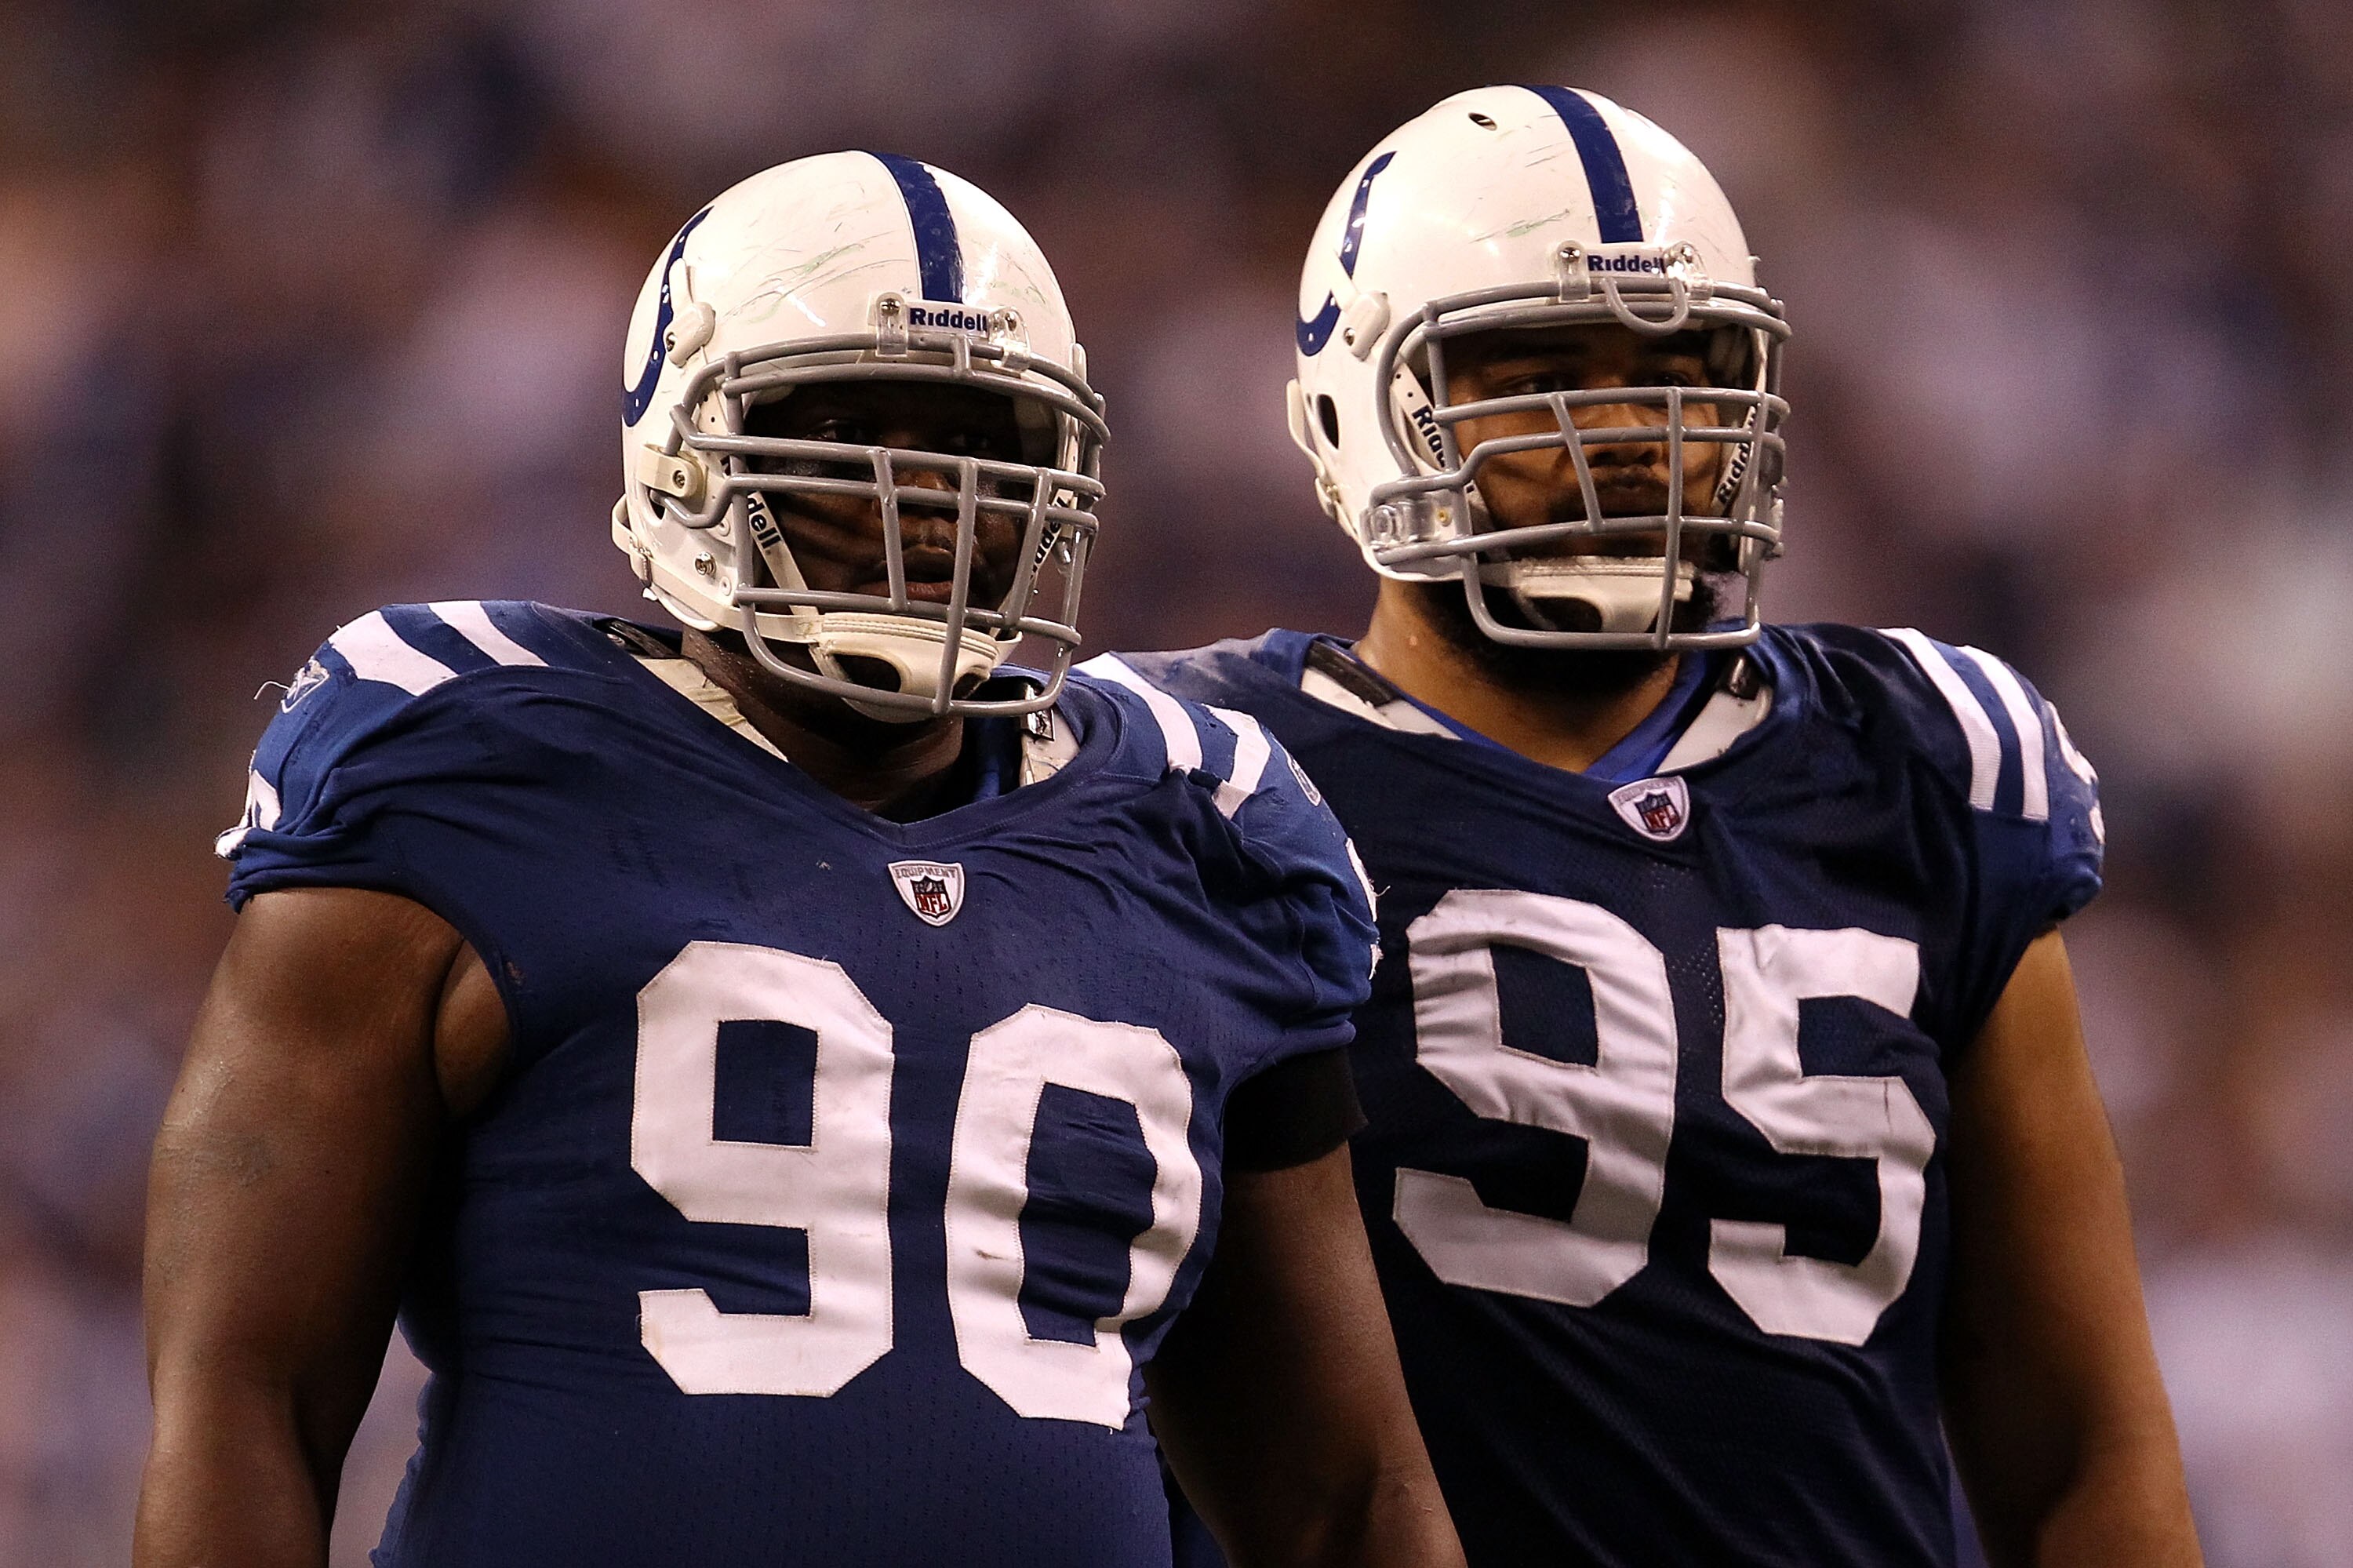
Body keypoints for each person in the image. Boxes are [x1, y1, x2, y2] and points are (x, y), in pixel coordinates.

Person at [137, 151, 1463, 1568]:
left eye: (984, 441)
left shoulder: (1211, 830)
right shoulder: (472, 763)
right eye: (845, 429)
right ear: (687, 455)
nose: (927, 500)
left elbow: (1344, 1499)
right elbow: (245, 1396)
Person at [1129, 88, 2202, 1567]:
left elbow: (2085, 1451)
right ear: (1351, 411)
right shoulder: (1197, 783)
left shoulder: (1926, 762)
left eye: (1678, 372)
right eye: (1536, 373)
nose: (1628, 432)